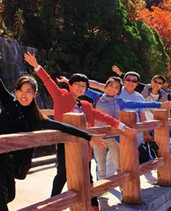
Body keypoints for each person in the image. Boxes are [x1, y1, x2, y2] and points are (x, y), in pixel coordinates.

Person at [0, 38, 108, 211]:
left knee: (9, 195)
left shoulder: (36, 117)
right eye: (21, 90)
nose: (24, 94)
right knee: (0, 197)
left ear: (35, 94)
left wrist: (89, 136)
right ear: (16, 91)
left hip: (12, 163)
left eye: (29, 91)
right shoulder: (9, 102)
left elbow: (62, 126)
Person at [24, 53, 143, 211]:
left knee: (87, 175)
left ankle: (93, 205)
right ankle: (53, 205)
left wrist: (122, 127)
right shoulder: (61, 96)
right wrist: (37, 66)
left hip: (84, 144)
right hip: (64, 143)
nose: (80, 88)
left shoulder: (86, 105)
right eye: (77, 85)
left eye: (83, 86)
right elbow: (48, 82)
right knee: (62, 175)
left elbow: (105, 117)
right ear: (70, 85)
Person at [61, 76, 171, 180]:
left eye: (116, 87)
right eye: (110, 86)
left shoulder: (121, 101)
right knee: (100, 165)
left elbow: (141, 104)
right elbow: (82, 89)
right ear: (106, 87)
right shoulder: (97, 97)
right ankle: (101, 190)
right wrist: (68, 81)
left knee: (120, 165)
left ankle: (123, 186)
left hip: (115, 137)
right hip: (98, 136)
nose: (113, 89)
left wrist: (161, 104)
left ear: (119, 90)